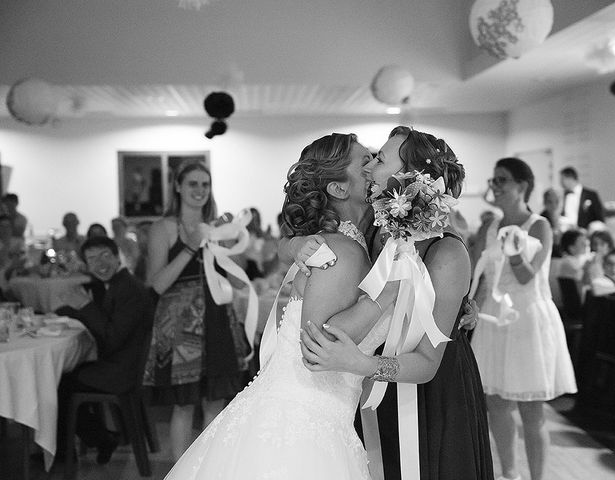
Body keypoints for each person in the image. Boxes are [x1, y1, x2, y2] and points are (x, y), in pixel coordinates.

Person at [164, 133, 396, 479]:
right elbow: (317, 347)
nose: (375, 166)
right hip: (302, 426)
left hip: (316, 417)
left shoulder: (362, 246)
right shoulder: (341, 252)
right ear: (338, 189)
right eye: (366, 160)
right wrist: (388, 295)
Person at [293, 127, 494, 480]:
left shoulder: (445, 251)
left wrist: (363, 363)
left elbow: (429, 363)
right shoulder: (375, 226)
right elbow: (307, 241)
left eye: (380, 159)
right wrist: (293, 249)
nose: (369, 167)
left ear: (411, 177)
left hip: (429, 395)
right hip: (367, 380)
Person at [470, 157, 577, 480]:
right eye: (494, 179)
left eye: (502, 180)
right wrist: (472, 308)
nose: (495, 186)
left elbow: (529, 277)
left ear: (522, 186)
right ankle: (510, 473)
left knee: (532, 410)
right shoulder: (489, 226)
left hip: (528, 319)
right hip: (492, 320)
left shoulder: (540, 225)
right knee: (496, 403)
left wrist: (515, 252)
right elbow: (481, 278)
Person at [143, 162, 242, 461]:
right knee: (183, 404)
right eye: (193, 184)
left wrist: (231, 244)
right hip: (178, 325)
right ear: (178, 187)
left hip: (217, 317)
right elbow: (156, 284)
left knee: (216, 402)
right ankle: (179, 472)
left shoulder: (216, 226)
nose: (199, 190)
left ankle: (210, 470)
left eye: (205, 184)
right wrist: (189, 246)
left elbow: (236, 280)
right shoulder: (163, 228)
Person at [54, 236, 156, 464]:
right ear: (86, 265)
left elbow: (110, 338)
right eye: (92, 259)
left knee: (60, 384)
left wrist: (84, 305)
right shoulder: (119, 284)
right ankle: (96, 439)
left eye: (105, 256)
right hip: (121, 363)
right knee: (66, 377)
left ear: (117, 256)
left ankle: (78, 448)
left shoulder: (129, 289)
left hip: (123, 371)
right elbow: (107, 321)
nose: (100, 263)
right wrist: (67, 311)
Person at [539, 188, 563, 258]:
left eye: (557, 201)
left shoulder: (564, 220)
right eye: (550, 202)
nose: (554, 205)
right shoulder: (541, 221)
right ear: (544, 203)